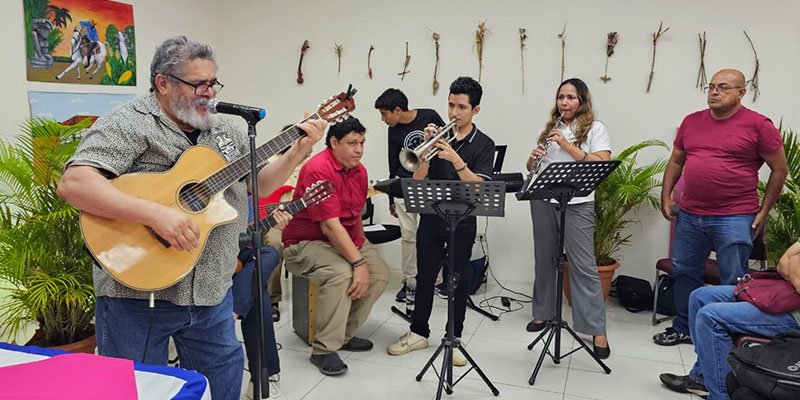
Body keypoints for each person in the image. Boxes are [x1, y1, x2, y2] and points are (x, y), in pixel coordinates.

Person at [56, 36, 325, 400]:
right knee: (137, 389)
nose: (210, 93)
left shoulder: (226, 129)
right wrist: (156, 214)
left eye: (214, 83)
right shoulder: (129, 123)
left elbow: (258, 186)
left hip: (212, 291)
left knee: (222, 384)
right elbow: (75, 184)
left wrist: (297, 152)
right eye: (199, 84)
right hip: (137, 294)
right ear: (163, 83)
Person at [655, 68, 788, 346]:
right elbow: (676, 162)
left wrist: (763, 212)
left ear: (741, 92)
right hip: (690, 215)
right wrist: (667, 195)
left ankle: (727, 334)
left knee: (733, 278)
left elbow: (779, 170)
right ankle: (685, 328)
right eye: (711, 86)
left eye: (723, 87)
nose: (714, 92)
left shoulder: (759, 125)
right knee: (685, 271)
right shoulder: (692, 122)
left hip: (735, 216)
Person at [387, 76, 495, 366]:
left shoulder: (484, 144)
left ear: (475, 110)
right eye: (450, 105)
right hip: (432, 217)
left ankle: (454, 338)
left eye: (461, 107)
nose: (454, 113)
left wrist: (455, 159)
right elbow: (417, 180)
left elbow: (479, 188)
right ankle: (418, 332)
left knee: (457, 281)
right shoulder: (436, 140)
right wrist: (426, 150)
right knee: (424, 278)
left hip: (463, 220)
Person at [282, 116, 390, 376]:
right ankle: (323, 349)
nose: (359, 149)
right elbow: (329, 226)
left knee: (380, 275)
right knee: (342, 274)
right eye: (352, 143)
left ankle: (342, 334)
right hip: (305, 243)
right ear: (333, 142)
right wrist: (358, 262)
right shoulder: (319, 169)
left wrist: (363, 253)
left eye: (362, 142)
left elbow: (354, 218)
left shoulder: (360, 171)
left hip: (343, 238)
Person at [524, 78, 613, 359]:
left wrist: (567, 144)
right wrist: (532, 159)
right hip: (544, 199)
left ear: (582, 101)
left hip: (578, 202)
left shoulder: (595, 128)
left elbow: (601, 162)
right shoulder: (552, 128)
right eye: (561, 97)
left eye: (571, 97)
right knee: (546, 258)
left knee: (583, 264)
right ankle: (543, 313)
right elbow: (536, 167)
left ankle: (597, 329)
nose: (564, 102)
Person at [659, 242, 800, 400]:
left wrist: (794, 261)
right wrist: (794, 263)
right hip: (783, 296)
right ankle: (702, 378)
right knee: (699, 297)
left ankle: (721, 396)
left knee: (710, 317)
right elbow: (783, 263)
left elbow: (795, 273)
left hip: (793, 316)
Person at [374, 88, 446, 302]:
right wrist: (390, 198)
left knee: (432, 235)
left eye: (384, 114)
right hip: (404, 186)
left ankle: (436, 279)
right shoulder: (393, 129)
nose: (383, 119)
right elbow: (392, 162)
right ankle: (410, 282)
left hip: (431, 184)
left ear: (397, 110)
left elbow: (447, 141)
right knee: (409, 236)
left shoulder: (429, 115)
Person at [232, 198, 291, 400]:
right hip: (195, 257)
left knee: (269, 253)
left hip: (233, 254)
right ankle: (265, 379)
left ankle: (234, 308)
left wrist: (270, 221)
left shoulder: (242, 190)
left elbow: (243, 233)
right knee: (257, 294)